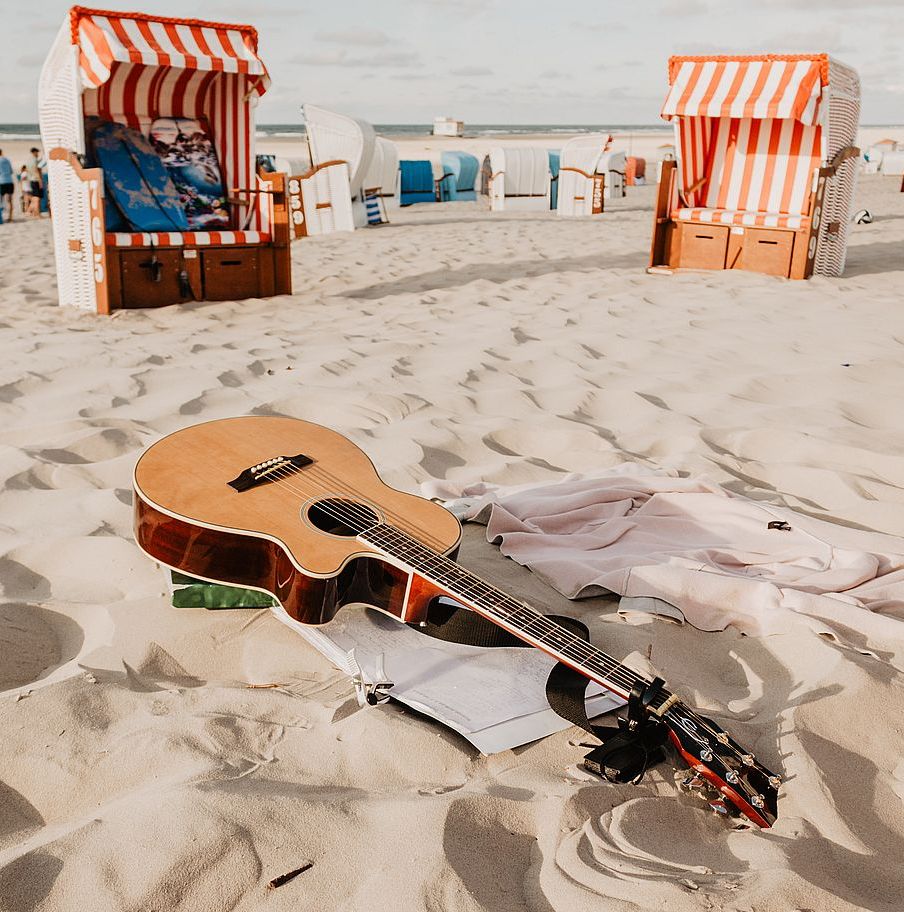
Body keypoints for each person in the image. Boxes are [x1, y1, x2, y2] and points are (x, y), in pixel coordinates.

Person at [24, 147, 43, 218]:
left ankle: (33, 212)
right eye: (37, 152)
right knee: (37, 198)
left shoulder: (28, 161)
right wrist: (40, 181)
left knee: (35, 197)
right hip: (36, 180)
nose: (38, 154)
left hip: (31, 180)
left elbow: (28, 171)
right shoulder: (35, 160)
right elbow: (36, 171)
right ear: (34, 152)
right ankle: (37, 214)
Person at [0, 149, 13, 222]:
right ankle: (10, 217)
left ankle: (1, 218)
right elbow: (11, 171)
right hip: (9, 181)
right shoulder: (7, 160)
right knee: (10, 201)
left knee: (1, 201)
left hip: (1, 182)